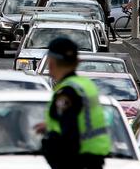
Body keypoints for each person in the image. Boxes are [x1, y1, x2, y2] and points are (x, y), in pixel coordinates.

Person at [39, 38, 112, 169]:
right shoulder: (85, 85)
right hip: (92, 160)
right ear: (76, 62)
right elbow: (81, 121)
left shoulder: (67, 92)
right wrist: (50, 126)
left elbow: (70, 135)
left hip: (77, 161)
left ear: (51, 63)